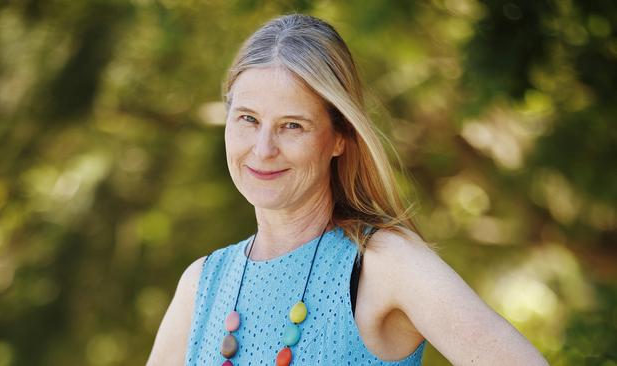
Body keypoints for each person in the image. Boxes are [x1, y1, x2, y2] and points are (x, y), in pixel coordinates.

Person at [147, 14, 549, 366]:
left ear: (340, 137)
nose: (263, 149)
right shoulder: (203, 282)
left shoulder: (384, 265)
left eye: (292, 125)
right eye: (248, 119)